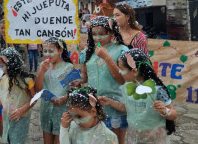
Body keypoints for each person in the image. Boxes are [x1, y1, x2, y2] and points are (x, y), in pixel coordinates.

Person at [100, 48, 177, 143]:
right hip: (134, 137)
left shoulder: (157, 90)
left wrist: (165, 111)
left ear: (134, 71)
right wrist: (110, 102)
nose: (119, 72)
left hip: (154, 138)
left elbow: (173, 115)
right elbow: (129, 108)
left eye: (122, 69)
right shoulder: (127, 87)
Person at [79, 16, 128, 144]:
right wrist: (77, 80)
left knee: (115, 141)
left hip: (115, 106)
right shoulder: (87, 52)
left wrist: (107, 58)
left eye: (101, 34)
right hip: (94, 106)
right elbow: (84, 76)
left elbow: (122, 80)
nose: (97, 38)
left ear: (112, 32)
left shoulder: (121, 50)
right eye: (94, 34)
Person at [0, 47, 36, 144]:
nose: (1, 69)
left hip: (21, 118)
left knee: (18, 141)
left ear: (12, 65)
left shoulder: (27, 80)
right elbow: (5, 97)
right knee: (8, 139)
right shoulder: (5, 78)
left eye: (3, 66)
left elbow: (34, 98)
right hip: (6, 117)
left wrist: (21, 110)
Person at [35, 37, 73, 144]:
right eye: (45, 51)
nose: (48, 54)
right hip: (46, 109)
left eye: (51, 51)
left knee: (60, 140)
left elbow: (75, 89)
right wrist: (42, 71)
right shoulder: (43, 66)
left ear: (60, 50)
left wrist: (64, 98)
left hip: (62, 110)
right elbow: (37, 89)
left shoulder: (68, 67)